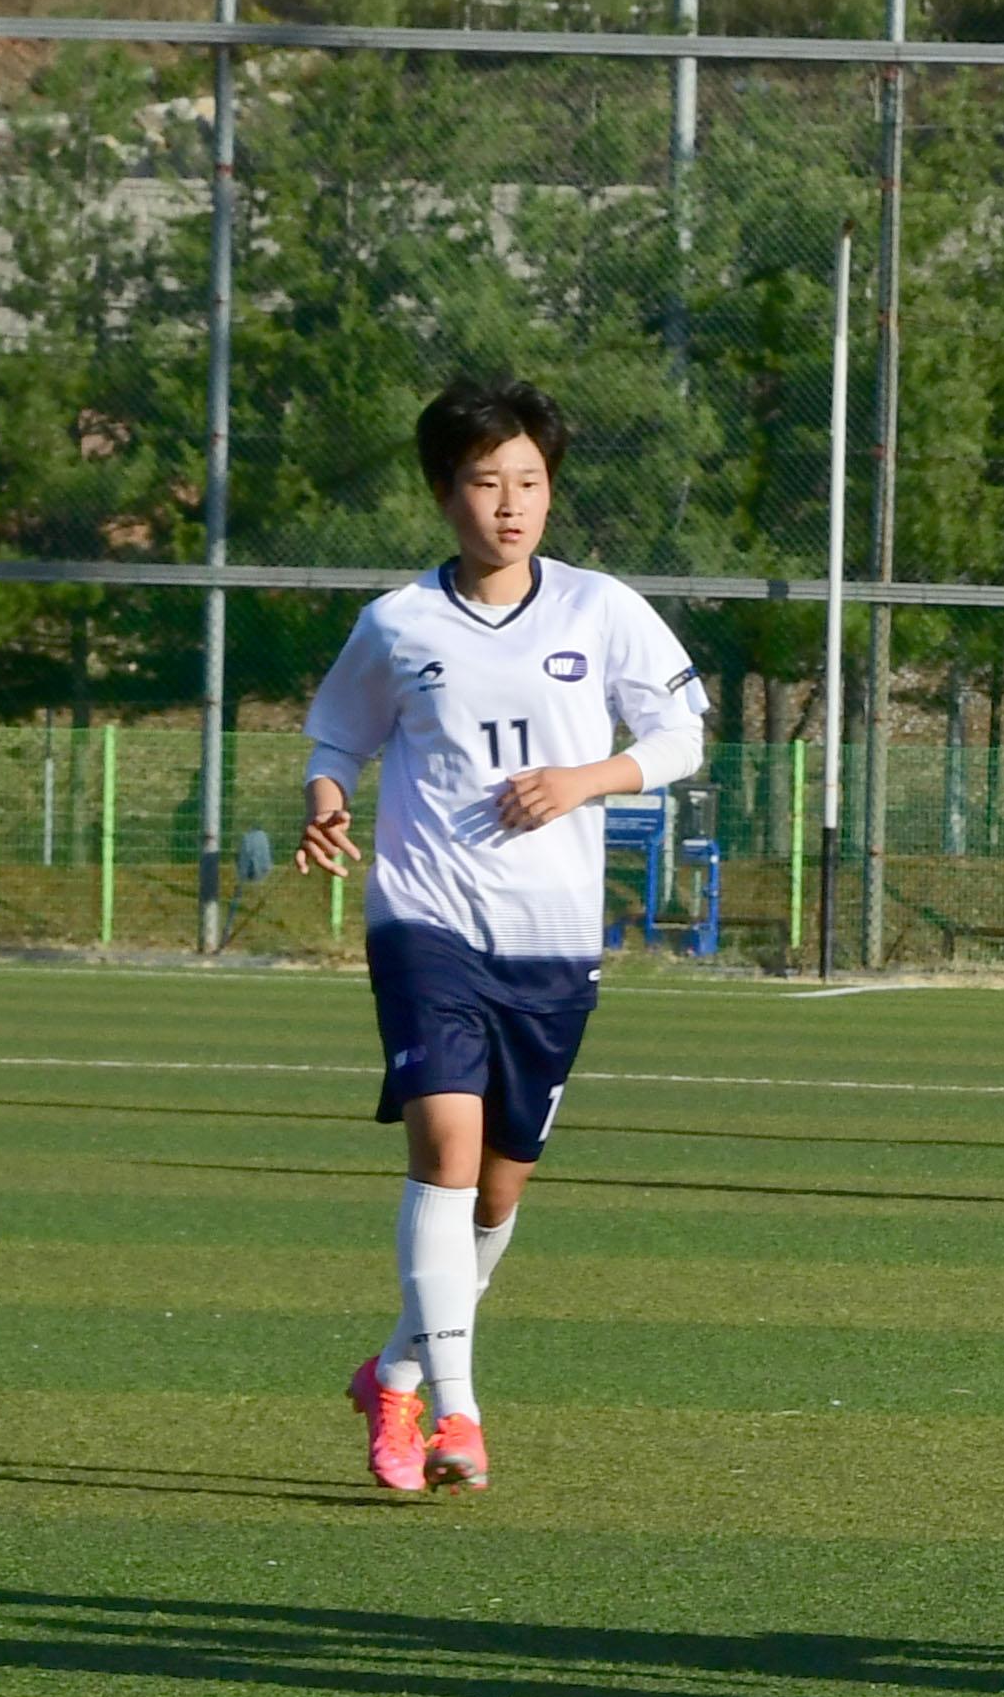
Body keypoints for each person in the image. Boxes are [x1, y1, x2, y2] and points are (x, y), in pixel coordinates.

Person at [295, 377, 709, 1494]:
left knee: (498, 1192)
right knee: (445, 1146)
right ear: (445, 494)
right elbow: (336, 734)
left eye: (529, 481)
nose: (511, 504)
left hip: (554, 937)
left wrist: (589, 778)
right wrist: (326, 801)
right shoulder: (397, 623)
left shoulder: (600, 607)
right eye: (487, 482)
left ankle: (393, 1372)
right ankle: (461, 1415)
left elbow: (682, 736)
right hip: (426, 918)